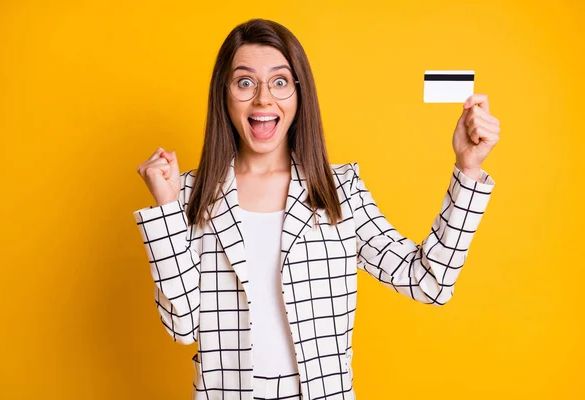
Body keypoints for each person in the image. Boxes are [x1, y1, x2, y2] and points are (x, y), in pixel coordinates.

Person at [132, 18, 499, 400]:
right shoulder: (190, 194)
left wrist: (468, 168)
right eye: (245, 82)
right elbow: (183, 326)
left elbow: (430, 281)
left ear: (298, 93)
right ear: (223, 94)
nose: (263, 99)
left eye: (279, 81)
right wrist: (166, 209)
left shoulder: (339, 190)